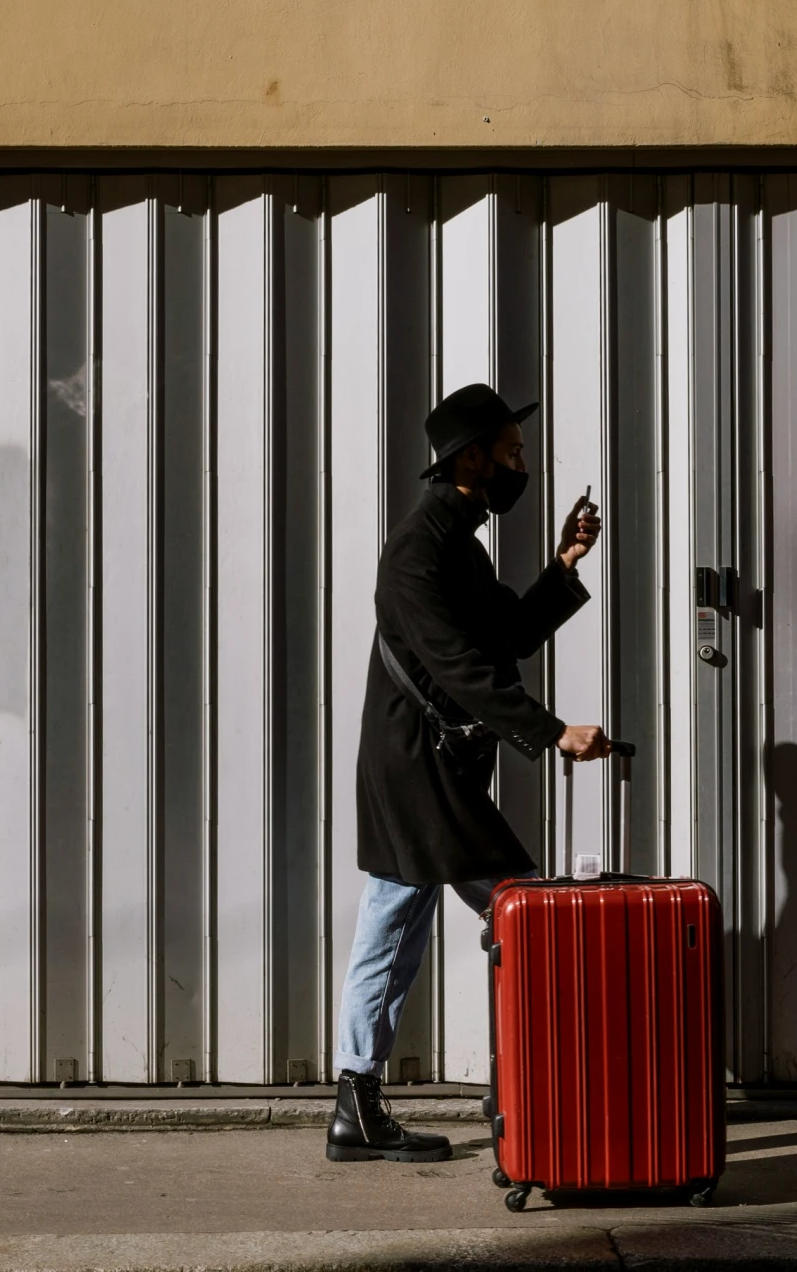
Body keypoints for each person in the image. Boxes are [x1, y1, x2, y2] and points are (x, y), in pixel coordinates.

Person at [326, 382, 609, 1163]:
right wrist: (551, 733)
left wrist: (563, 563)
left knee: (395, 919)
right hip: (416, 764)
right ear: (472, 456)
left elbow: (507, 636)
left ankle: (359, 1102)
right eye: (511, 453)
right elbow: (456, 668)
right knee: (525, 907)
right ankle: (555, 1085)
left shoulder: (458, 538)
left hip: (428, 760)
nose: (520, 465)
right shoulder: (419, 547)